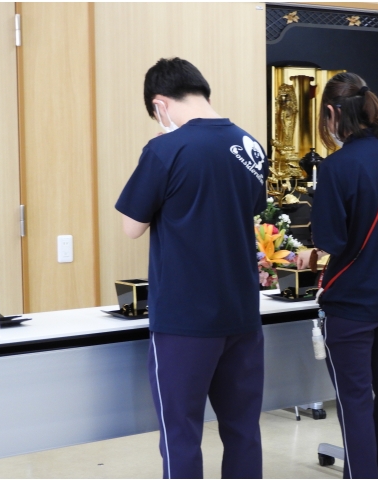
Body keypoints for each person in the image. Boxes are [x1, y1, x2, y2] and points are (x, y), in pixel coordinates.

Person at [115, 57, 267, 478]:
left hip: (184, 319)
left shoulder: (165, 149)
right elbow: (252, 209)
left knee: (180, 433)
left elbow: (131, 227)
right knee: (243, 429)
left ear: (159, 104)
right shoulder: (251, 146)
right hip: (241, 313)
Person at [297, 72, 378, 479]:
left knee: (355, 403)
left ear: (332, 113)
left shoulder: (335, 168)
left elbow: (331, 238)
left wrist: (313, 251)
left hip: (351, 307)